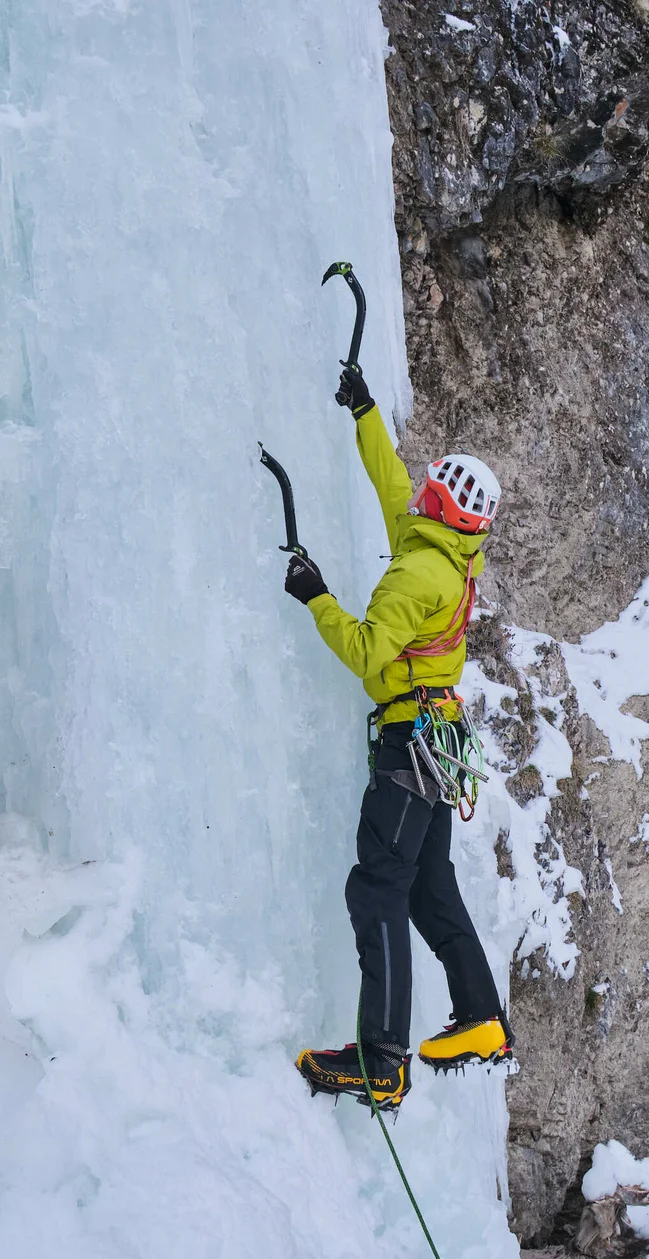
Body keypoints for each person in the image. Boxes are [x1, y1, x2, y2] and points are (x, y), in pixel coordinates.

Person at [283, 361, 513, 1109]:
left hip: (408, 747)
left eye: (428, 489)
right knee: (426, 888)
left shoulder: (418, 576)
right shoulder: (448, 554)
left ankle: (382, 1057)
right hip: (436, 743)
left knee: (375, 887)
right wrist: (364, 413)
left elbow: (365, 653)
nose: (416, 491)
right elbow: (391, 491)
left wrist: (316, 597)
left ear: (441, 503)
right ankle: (481, 1019)